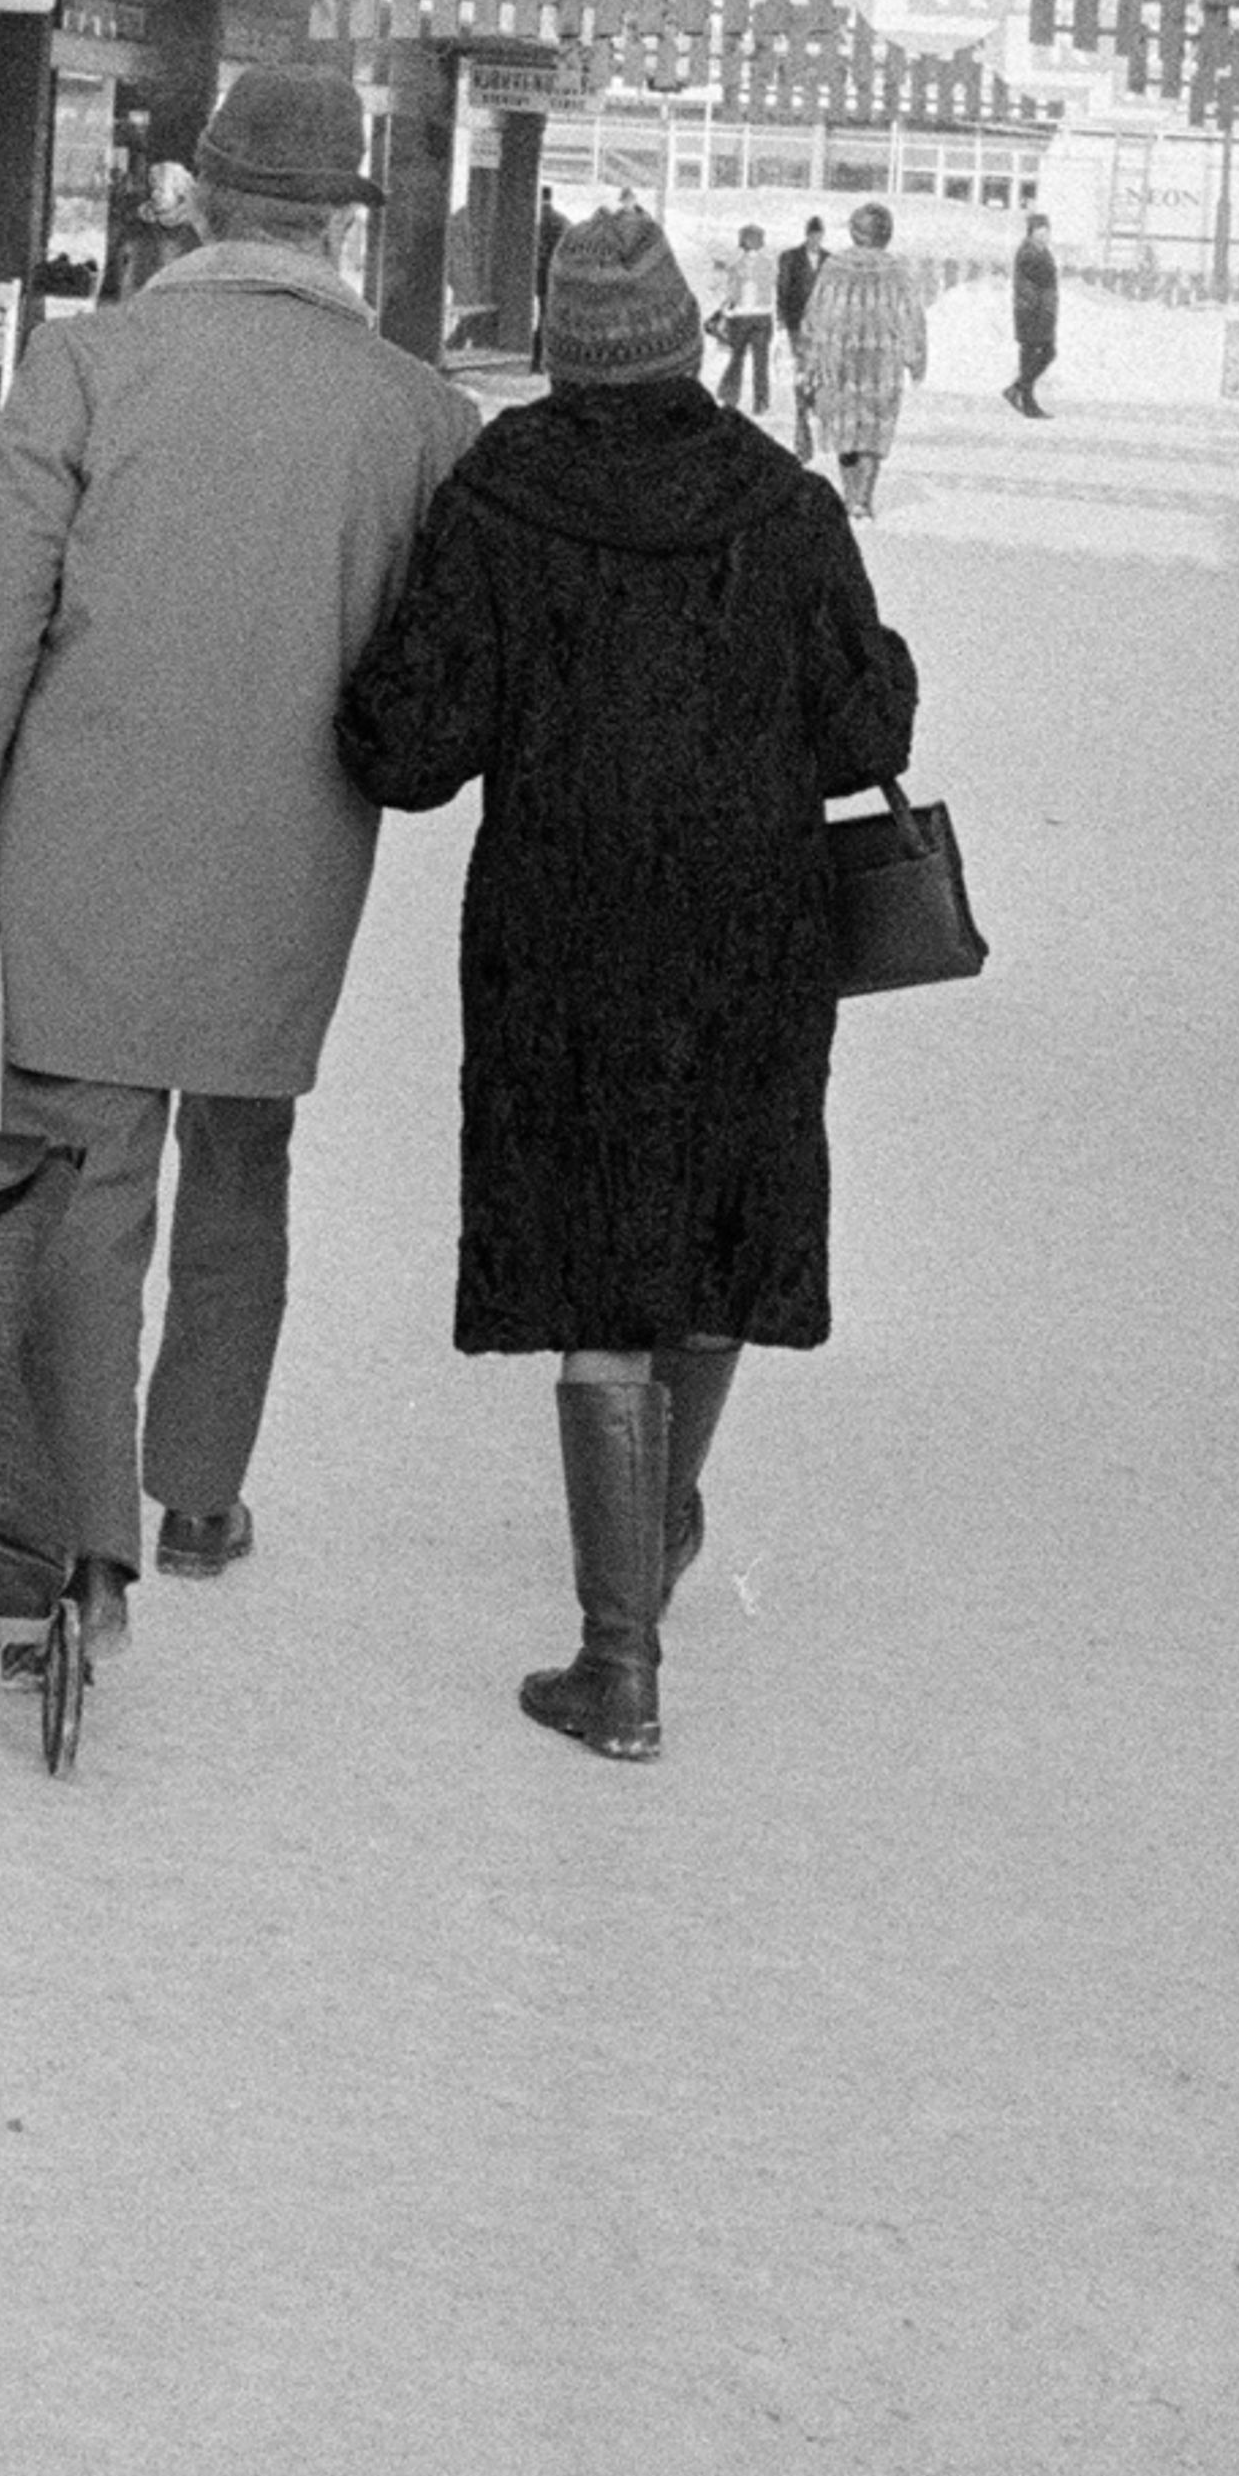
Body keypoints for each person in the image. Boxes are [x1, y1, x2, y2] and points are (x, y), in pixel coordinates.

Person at [0, 60, 475, 1658]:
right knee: (245, 1156)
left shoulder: (87, 366)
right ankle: (201, 1488)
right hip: (296, 849)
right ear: (340, 224)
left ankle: (85, 1543)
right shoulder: (423, 415)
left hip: (86, 844)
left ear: (194, 202)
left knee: (79, 1181)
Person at [340, 198, 921, 1766]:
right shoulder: (784, 502)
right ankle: (653, 1525)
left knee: (594, 1257)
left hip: (562, 928)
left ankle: (619, 1658)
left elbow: (409, 748)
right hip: (751, 929)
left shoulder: (501, 497)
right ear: (681, 341)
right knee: (718, 1232)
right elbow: (869, 733)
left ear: (561, 350)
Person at [799, 197, 932, 517]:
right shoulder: (897, 269)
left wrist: (808, 354)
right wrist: (915, 357)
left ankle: (850, 496)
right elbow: (911, 317)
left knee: (844, 427)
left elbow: (815, 313)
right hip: (881, 363)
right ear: (886, 233)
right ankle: (862, 498)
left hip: (839, 358)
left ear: (855, 233)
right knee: (873, 430)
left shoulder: (834, 267)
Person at [773, 207, 831, 452]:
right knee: (801, 361)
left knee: (818, 362)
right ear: (806, 235)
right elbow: (783, 287)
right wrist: (782, 316)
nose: (815, 240)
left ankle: (813, 397)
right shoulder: (791, 257)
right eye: (812, 235)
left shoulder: (830, 260)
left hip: (822, 322)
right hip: (797, 319)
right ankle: (802, 401)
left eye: (819, 235)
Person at [713, 221, 781, 417]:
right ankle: (761, 402)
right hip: (761, 315)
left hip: (742, 316)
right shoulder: (768, 263)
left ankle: (730, 398)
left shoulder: (737, 264)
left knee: (737, 358)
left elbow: (724, 286)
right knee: (760, 361)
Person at [1005, 209, 1060, 420]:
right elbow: (1040, 279)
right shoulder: (1029, 253)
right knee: (1037, 353)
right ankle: (1024, 396)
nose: (1044, 235)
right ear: (1031, 232)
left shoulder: (1041, 252)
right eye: (1040, 231)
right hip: (1031, 311)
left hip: (1041, 311)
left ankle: (1020, 392)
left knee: (1039, 353)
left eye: (1046, 231)